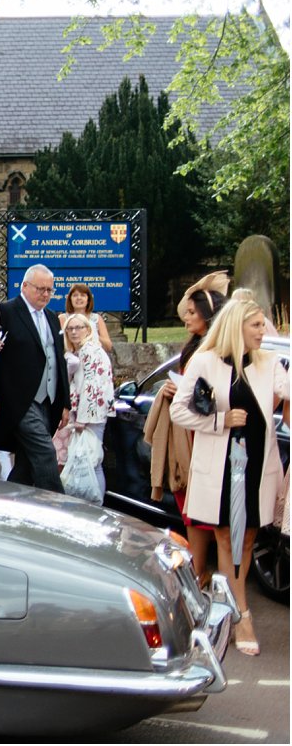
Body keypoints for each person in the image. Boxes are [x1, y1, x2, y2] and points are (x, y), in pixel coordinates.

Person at [171, 298, 289, 657]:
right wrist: (220, 421)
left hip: (255, 464)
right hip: (220, 465)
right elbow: (180, 410)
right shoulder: (205, 361)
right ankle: (240, 615)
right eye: (256, 326)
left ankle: (229, 610)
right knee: (225, 536)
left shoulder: (269, 362)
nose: (263, 332)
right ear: (237, 326)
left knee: (248, 538)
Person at [145, 271, 229, 586]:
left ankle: (207, 575)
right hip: (188, 432)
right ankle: (197, 571)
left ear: (208, 316)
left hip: (206, 434)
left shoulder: (218, 351)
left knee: (207, 508)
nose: (185, 319)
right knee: (188, 501)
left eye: (192, 313)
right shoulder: (192, 348)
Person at [0, 264, 70, 492]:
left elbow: (58, 361)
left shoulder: (53, 318)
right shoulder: (5, 312)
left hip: (47, 399)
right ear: (24, 286)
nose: (45, 294)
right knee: (45, 451)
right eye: (40, 289)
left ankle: (8, 501)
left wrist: (65, 402)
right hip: (17, 400)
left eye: (49, 290)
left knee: (26, 461)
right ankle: (57, 506)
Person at [60, 312, 114, 502]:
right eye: (70, 328)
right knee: (89, 460)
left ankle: (96, 503)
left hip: (92, 416)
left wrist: (82, 417)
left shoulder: (90, 350)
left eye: (78, 328)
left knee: (92, 461)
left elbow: (94, 385)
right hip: (88, 414)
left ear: (88, 330)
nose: (74, 332)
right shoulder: (79, 352)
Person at [60, 283, 112, 353]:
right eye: (75, 295)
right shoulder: (63, 318)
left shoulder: (97, 318)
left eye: (83, 295)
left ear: (88, 300)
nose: (79, 298)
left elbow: (108, 346)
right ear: (70, 299)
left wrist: (93, 335)